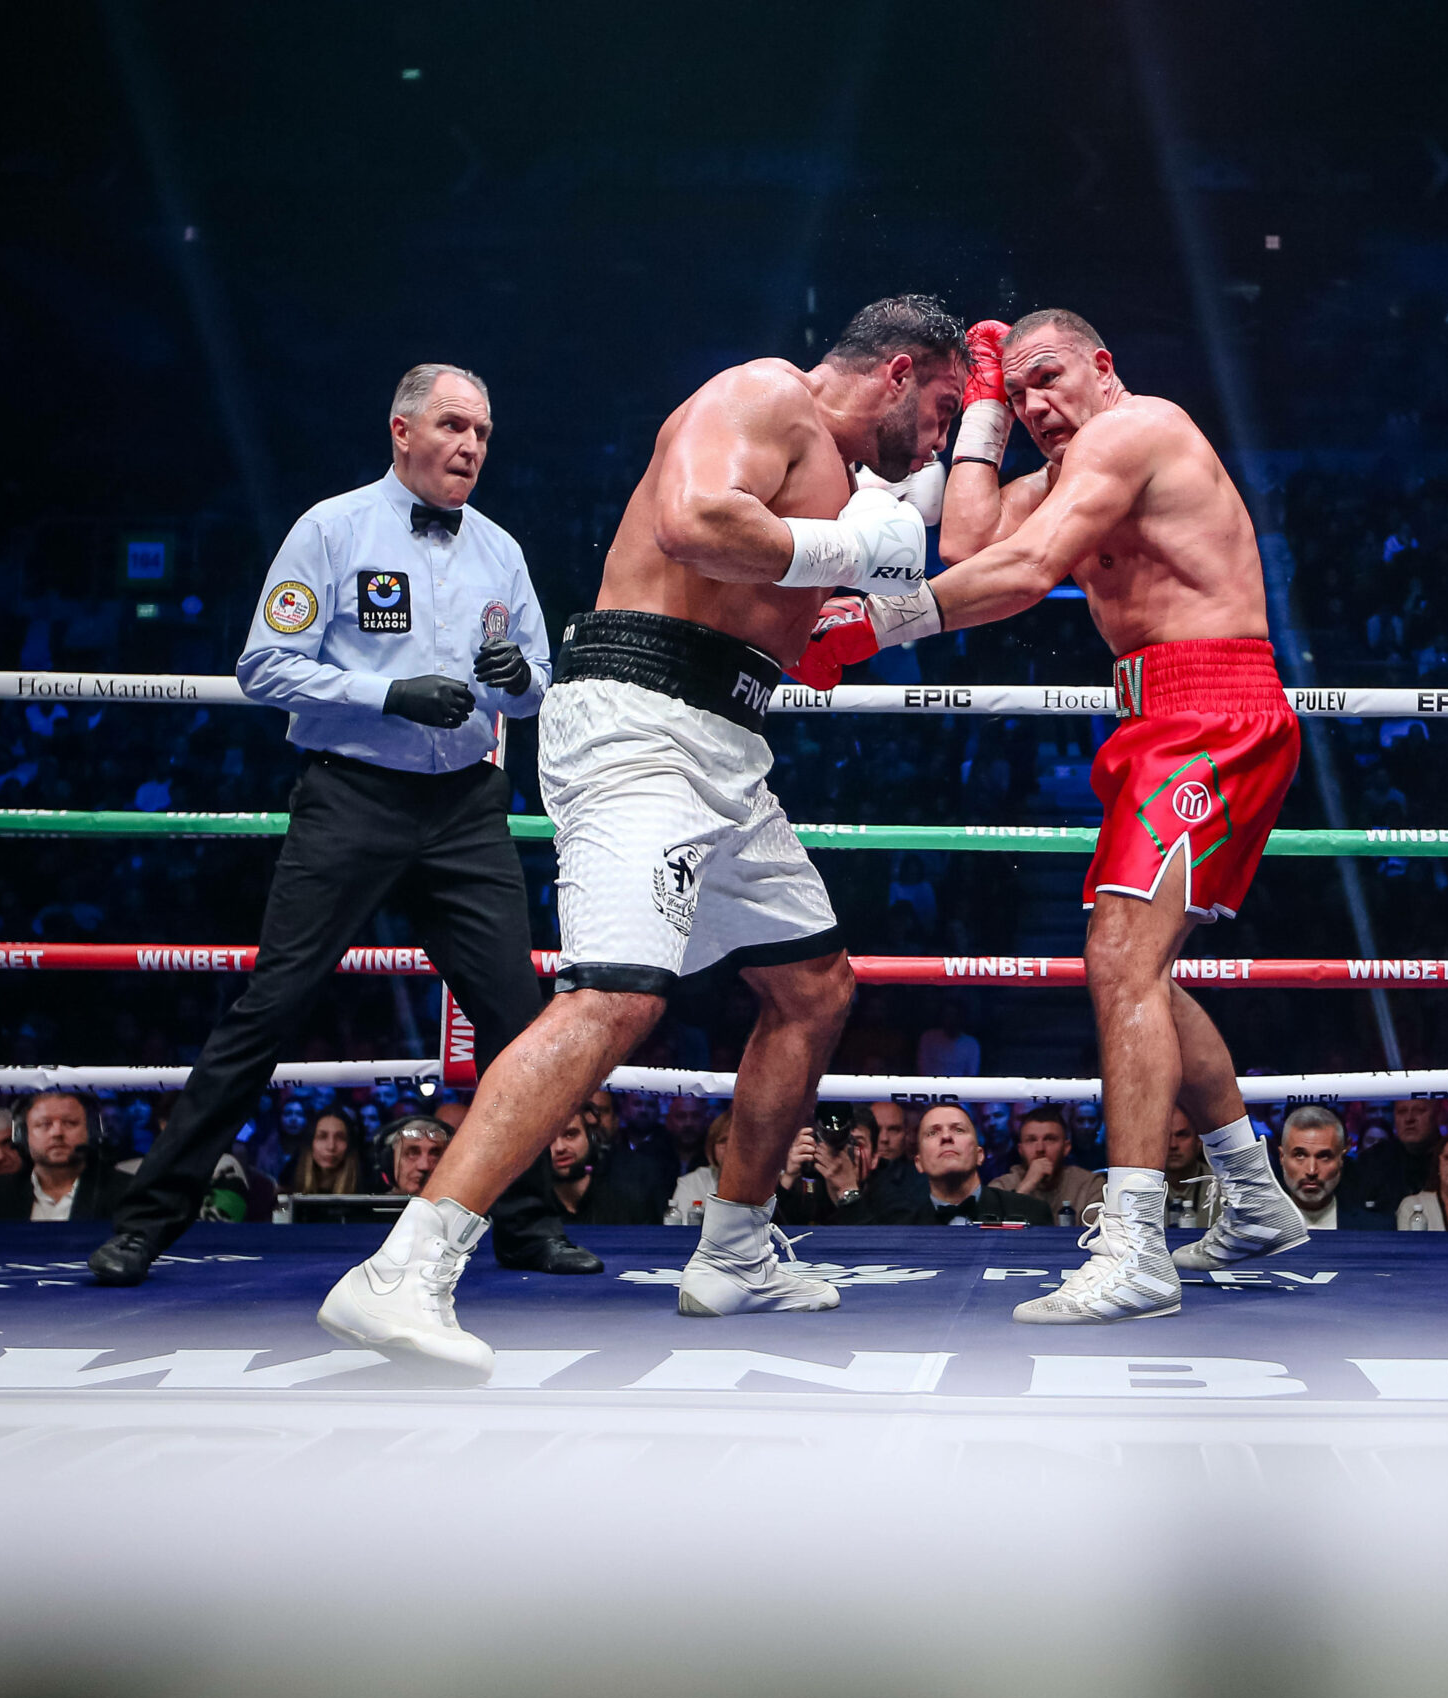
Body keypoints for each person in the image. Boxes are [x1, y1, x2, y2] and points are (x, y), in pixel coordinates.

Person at [317, 296, 970, 1379]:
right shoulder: (765, 393)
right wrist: (845, 547)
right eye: (943, 410)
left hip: (725, 740)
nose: (939, 440)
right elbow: (692, 523)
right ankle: (405, 1269)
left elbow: (964, 551)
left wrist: (954, 452)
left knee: (813, 990)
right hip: (639, 719)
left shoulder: (851, 476)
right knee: (614, 996)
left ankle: (736, 1251)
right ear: (896, 372)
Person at [798, 308, 1308, 1322]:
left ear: (1102, 367)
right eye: (1016, 389)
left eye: (1045, 378)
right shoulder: (1070, 463)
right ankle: (1252, 1201)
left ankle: (1135, 1248)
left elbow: (1027, 575)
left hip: (1210, 714)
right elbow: (972, 539)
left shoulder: (1136, 428)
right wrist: (981, 410)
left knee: (1120, 962)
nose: (1036, 403)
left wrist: (874, 628)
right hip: (1158, 721)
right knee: (1139, 970)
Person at [86, 363, 589, 1287]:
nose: (471, 446)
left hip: (466, 807)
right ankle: (147, 1221)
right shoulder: (330, 528)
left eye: (482, 431)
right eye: (452, 426)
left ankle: (524, 1226)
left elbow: (538, 683)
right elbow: (262, 665)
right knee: (269, 1008)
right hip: (351, 798)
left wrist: (513, 674)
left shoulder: (502, 551)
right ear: (401, 431)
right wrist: (385, 690)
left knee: (518, 1024)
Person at [842, 1102, 1052, 1226]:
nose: (946, 1138)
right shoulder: (900, 1224)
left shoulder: (1031, 1212)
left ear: (980, 1154)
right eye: (932, 1132)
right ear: (919, 1162)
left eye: (958, 1130)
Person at [0, 1094, 111, 1221]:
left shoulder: (122, 1192)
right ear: (23, 1135)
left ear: (91, 1131)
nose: (57, 1133)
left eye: (69, 1123)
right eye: (44, 1124)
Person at [1274, 1105, 1393, 1231]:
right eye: (1300, 1155)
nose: (1311, 1171)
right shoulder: (1255, 1230)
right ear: (1282, 1157)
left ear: (1341, 1158)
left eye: (1324, 1157)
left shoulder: (1375, 1229)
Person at [990, 1104, 1102, 1227]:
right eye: (1031, 1140)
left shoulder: (1090, 1185)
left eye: (1050, 1139)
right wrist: (1026, 1185)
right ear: (1020, 1150)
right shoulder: (1001, 1186)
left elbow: (1096, 1239)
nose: (1040, 1148)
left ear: (1066, 1148)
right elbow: (991, 1236)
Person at [547, 1103, 660, 1224]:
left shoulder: (628, 1203)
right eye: (547, 1139)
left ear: (591, 1138)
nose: (559, 1147)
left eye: (570, 1135)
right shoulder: (527, 1206)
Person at [1356, 1098, 1442, 1212]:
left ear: (1438, 1115)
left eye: (1419, 1111)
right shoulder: (1373, 1160)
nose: (1409, 1118)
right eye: (1402, 1111)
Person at [284, 1108, 367, 1195]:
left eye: (340, 1138)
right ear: (310, 1143)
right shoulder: (287, 1188)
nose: (331, 1146)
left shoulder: (366, 1187)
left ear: (349, 1145)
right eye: (322, 1137)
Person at [379, 1116, 452, 1197]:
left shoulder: (458, 1209)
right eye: (412, 1154)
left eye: (435, 1154)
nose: (424, 1166)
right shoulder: (367, 1209)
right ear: (390, 1162)